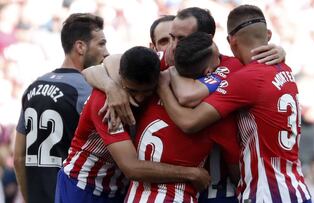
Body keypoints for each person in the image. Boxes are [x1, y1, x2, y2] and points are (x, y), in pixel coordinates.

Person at [82, 7, 286, 203]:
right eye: (170, 38)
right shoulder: (164, 62)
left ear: (205, 40)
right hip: (179, 184)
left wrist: (279, 51)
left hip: (216, 187)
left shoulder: (233, 68)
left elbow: (187, 97)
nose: (172, 46)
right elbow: (106, 65)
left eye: (181, 39)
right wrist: (112, 87)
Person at [157, 5, 312, 203]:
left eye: (183, 40)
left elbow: (189, 120)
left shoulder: (244, 76)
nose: (175, 45)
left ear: (231, 41)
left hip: (265, 192)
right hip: (295, 189)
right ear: (269, 35)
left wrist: (163, 85)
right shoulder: (284, 68)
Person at [55, 46, 211, 203]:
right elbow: (131, 167)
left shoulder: (148, 68)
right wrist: (191, 173)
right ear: (120, 77)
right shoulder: (105, 103)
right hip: (82, 186)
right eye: (133, 91)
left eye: (147, 92)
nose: (140, 98)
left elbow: (109, 61)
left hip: (117, 189)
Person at [124, 32, 240, 203]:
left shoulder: (151, 89)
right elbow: (236, 170)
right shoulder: (212, 113)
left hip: (135, 196)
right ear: (208, 72)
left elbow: (109, 63)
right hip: (177, 196)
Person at [13, 13, 109, 203]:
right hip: (71, 195)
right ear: (80, 46)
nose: (106, 52)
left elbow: (18, 157)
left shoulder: (33, 87)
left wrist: (29, 198)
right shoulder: (88, 90)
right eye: (101, 44)